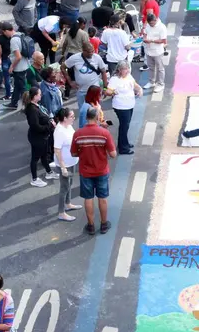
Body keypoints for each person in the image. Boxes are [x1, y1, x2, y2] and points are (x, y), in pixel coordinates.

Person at [71, 106, 117, 235]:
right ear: (97, 118)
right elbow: (113, 154)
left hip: (85, 171)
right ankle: (103, 224)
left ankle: (90, 226)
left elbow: (74, 153)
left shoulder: (78, 134)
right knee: (102, 198)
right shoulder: (104, 133)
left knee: (88, 198)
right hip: (101, 170)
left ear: (86, 117)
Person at [23, 86, 59, 187]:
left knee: (43, 155)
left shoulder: (36, 106)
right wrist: (50, 125)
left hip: (43, 137)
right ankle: (34, 179)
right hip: (37, 138)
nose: (41, 95)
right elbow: (36, 126)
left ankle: (48, 172)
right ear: (34, 96)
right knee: (35, 158)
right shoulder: (32, 110)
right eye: (39, 94)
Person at [105, 60, 143, 155]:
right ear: (119, 70)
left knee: (126, 125)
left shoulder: (129, 76)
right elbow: (107, 91)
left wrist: (139, 89)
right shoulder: (114, 79)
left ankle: (124, 143)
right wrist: (113, 92)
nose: (126, 71)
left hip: (129, 104)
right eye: (124, 69)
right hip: (121, 106)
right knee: (124, 126)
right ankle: (123, 148)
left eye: (127, 69)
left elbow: (134, 85)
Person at [53, 107, 82, 221]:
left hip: (72, 160)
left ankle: (68, 203)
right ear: (64, 118)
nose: (74, 118)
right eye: (71, 117)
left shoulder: (68, 126)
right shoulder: (59, 131)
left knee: (69, 183)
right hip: (65, 163)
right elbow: (57, 150)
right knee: (64, 187)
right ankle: (61, 212)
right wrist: (63, 167)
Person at [63, 40, 107, 108]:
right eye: (89, 52)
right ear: (83, 50)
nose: (91, 53)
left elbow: (103, 72)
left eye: (92, 51)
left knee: (94, 110)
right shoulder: (75, 58)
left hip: (94, 90)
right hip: (81, 90)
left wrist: (105, 88)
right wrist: (70, 82)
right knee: (83, 110)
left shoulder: (97, 57)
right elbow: (62, 67)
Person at [0, 22, 30, 110]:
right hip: (25, 64)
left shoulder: (13, 40)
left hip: (19, 68)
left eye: (3, 32)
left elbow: (18, 57)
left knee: (23, 88)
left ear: (6, 31)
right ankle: (13, 103)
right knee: (17, 85)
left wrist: (11, 67)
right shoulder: (20, 34)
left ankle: (29, 106)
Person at [142, 13, 167, 93]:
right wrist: (144, 38)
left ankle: (161, 84)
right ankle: (151, 82)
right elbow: (145, 33)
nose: (151, 25)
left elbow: (163, 40)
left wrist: (152, 41)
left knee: (160, 69)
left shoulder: (162, 27)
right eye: (150, 23)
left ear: (155, 20)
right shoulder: (148, 25)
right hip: (148, 50)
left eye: (152, 23)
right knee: (151, 67)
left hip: (158, 51)